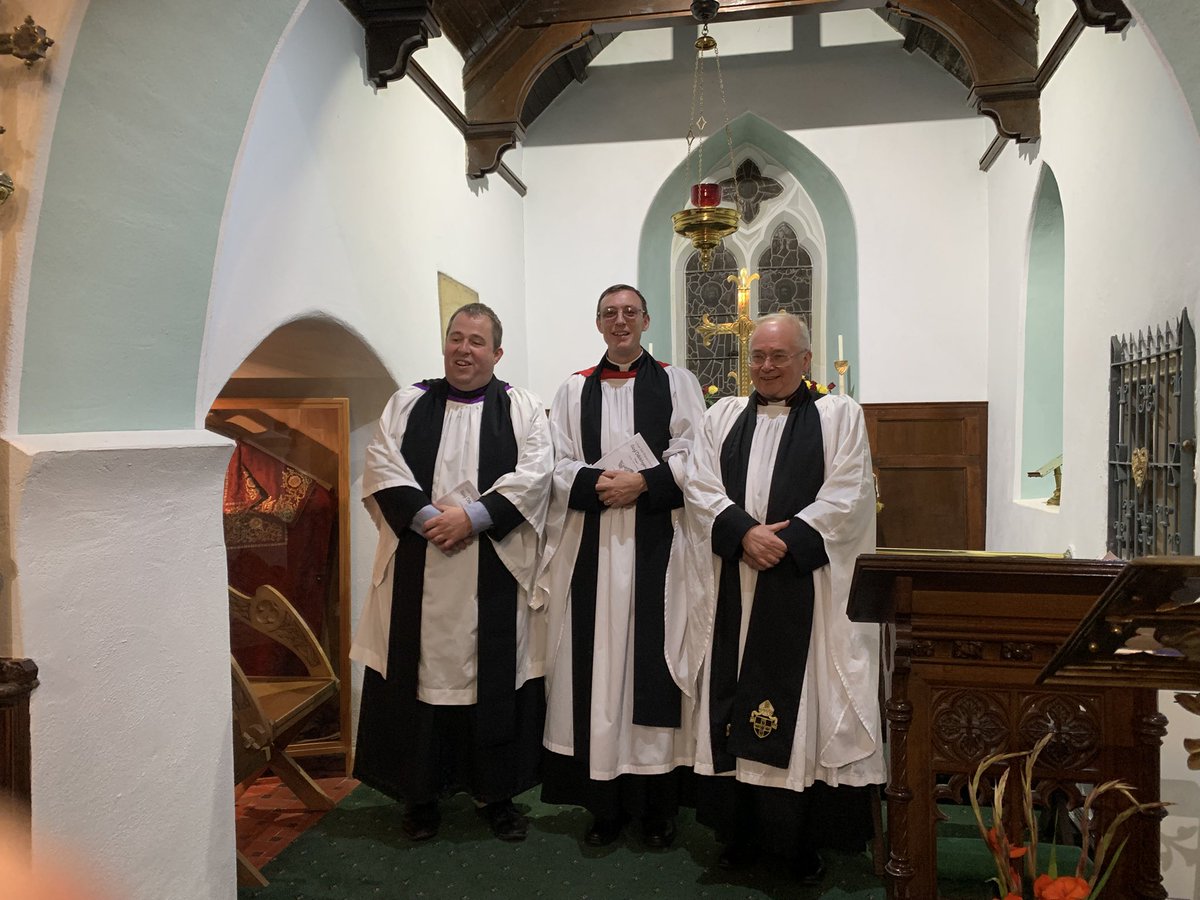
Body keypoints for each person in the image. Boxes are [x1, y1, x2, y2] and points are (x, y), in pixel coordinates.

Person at [670, 312, 882, 883]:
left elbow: (850, 492)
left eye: (779, 356)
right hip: (732, 584)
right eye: (758, 356)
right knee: (731, 693)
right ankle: (737, 837)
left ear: (805, 360)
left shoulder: (840, 416)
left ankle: (798, 841)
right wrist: (742, 532)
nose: (765, 366)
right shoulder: (722, 416)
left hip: (801, 588)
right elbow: (698, 484)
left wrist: (786, 543)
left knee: (804, 702)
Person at [351, 302, 553, 843]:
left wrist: (473, 517)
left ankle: (497, 795)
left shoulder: (522, 407)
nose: (464, 349)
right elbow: (381, 463)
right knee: (417, 680)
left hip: (492, 567)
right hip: (419, 564)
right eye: (456, 338)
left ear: (497, 352)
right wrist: (426, 519)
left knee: (494, 681)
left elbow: (537, 474)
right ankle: (420, 799)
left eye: (477, 341)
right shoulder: (409, 402)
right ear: (445, 344)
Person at [537, 284, 705, 849]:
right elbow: (554, 462)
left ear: (646, 319)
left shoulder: (676, 382)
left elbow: (693, 453)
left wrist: (644, 483)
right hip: (592, 545)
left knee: (650, 667)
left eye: (630, 312)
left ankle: (657, 807)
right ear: (598, 324)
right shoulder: (572, 388)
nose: (620, 321)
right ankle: (603, 806)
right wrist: (598, 485)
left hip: (659, 546)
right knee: (597, 669)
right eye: (610, 314)